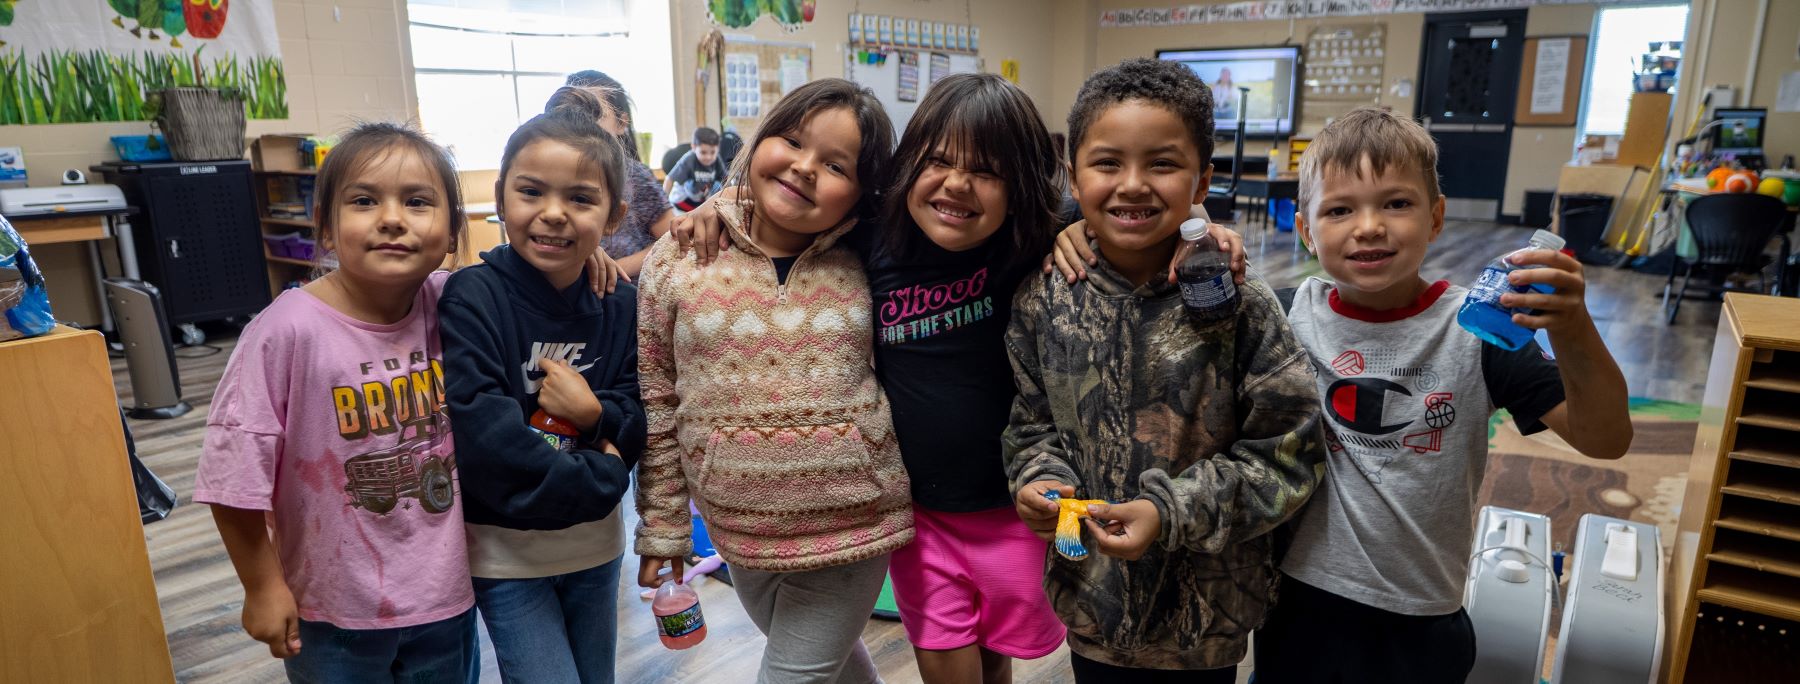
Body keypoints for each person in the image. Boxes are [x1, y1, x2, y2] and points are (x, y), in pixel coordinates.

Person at [1248, 107, 1633, 683]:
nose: (1370, 226)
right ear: (1306, 228)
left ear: (1435, 217)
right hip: (1299, 602)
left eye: (1396, 203)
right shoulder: (1280, 316)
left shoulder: (1478, 330)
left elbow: (1606, 439)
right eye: (1339, 209)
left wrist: (1573, 328)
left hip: (1423, 614)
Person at [1004, 58, 1327, 683]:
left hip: (1206, 619)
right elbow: (1031, 423)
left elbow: (1290, 453)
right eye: (1107, 163)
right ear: (1073, 174)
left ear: (1201, 179)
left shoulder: (1241, 303)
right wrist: (1039, 479)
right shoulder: (1042, 298)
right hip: (1091, 602)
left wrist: (1171, 511)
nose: (1132, 184)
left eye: (1161, 163)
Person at [634, 78, 914, 684]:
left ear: (863, 193)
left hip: (852, 525)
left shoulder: (876, 255)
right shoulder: (679, 256)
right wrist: (663, 526)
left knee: (795, 675)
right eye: (790, 140)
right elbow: (656, 399)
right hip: (738, 531)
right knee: (838, 671)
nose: (805, 167)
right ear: (758, 143)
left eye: (836, 164)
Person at [194, 122, 479, 683]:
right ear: (325, 226)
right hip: (333, 611)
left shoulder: (456, 305)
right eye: (364, 201)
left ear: (451, 233)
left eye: (417, 202)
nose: (392, 218)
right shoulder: (285, 332)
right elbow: (233, 479)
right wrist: (261, 585)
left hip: (447, 598)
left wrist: (592, 263)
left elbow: (531, 287)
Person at [438, 95, 647, 683]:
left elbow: (639, 410)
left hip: (597, 552)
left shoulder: (620, 303)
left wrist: (593, 412)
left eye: (580, 199)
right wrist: (606, 474)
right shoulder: (473, 296)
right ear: (501, 198)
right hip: (506, 557)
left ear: (613, 216)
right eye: (531, 192)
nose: (554, 213)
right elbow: (486, 437)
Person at [565, 70, 674, 279]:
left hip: (628, 293)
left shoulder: (636, 176)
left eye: (593, 113)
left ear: (621, 123)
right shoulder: (560, 175)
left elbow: (672, 240)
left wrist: (617, 267)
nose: (581, 123)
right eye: (572, 112)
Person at [663, 127, 727, 212]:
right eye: (703, 152)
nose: (708, 157)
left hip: (702, 201)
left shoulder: (717, 159)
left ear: (718, 149)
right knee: (690, 185)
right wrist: (664, 204)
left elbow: (726, 178)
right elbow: (669, 179)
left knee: (717, 185)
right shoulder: (689, 159)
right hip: (683, 201)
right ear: (694, 147)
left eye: (712, 152)